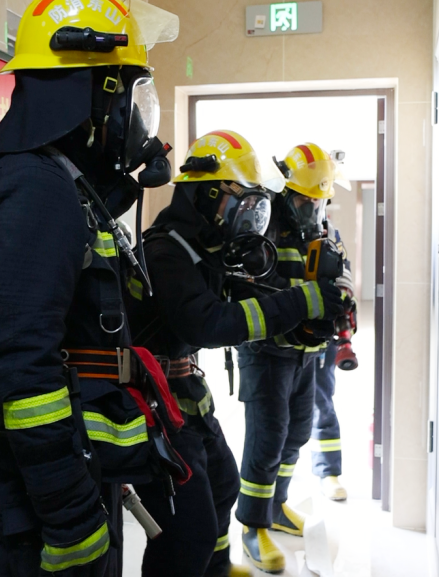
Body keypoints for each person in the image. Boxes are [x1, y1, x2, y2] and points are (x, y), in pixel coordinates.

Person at [0, 0, 183, 576]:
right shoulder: (36, 187)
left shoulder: (54, 182)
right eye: (131, 93)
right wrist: (72, 517)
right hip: (50, 515)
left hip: (72, 476)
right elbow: (22, 364)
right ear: (96, 92)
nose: (136, 117)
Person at [126, 130, 345, 577]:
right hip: (152, 400)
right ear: (209, 195)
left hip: (184, 389)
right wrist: (303, 302)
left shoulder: (200, 250)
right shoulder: (165, 251)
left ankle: (218, 569)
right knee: (189, 528)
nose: (247, 217)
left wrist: (312, 311)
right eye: (240, 203)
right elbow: (209, 323)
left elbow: (243, 293)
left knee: (224, 484)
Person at [234, 142, 348, 573]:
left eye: (319, 201)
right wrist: (305, 300)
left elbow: (335, 273)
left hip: (306, 353)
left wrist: (341, 298)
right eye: (304, 201)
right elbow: (248, 286)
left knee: (297, 432)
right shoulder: (261, 226)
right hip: (267, 352)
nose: (312, 208)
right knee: (267, 438)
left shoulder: (320, 228)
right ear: (286, 194)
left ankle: (277, 505)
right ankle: (253, 525)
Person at [311, 224, 356, 502]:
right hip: (281, 333)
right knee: (279, 414)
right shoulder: (271, 220)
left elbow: (344, 274)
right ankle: (277, 482)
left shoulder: (329, 232)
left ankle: (328, 472)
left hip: (321, 330)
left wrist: (345, 302)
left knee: (322, 401)